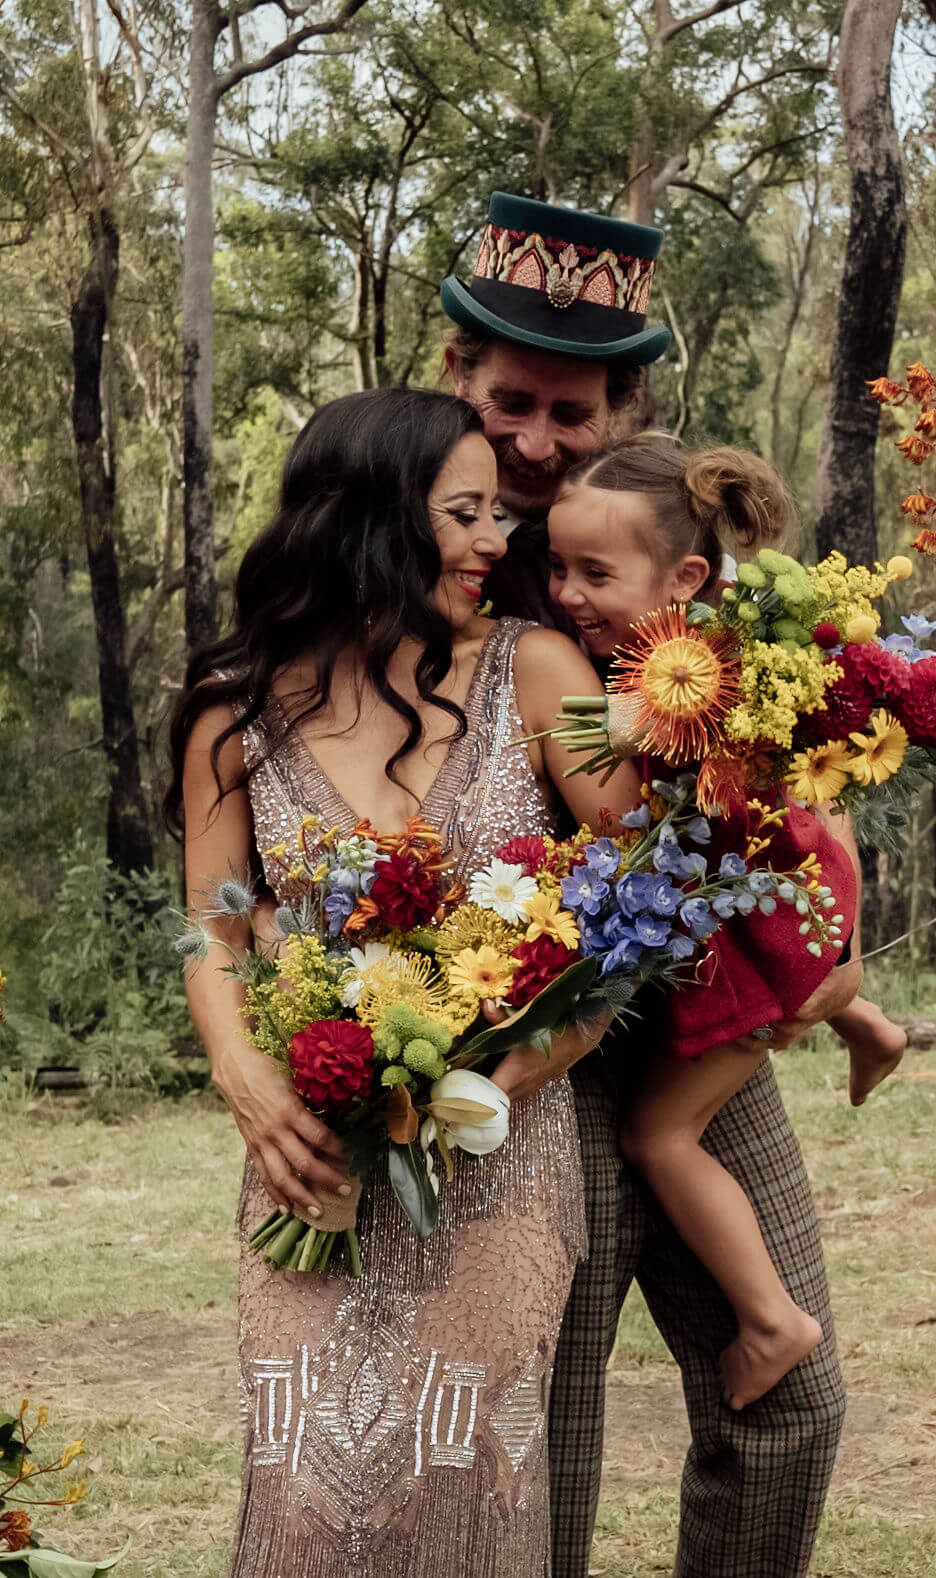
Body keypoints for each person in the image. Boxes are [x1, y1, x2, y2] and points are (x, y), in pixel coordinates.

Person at [440, 191, 864, 1578]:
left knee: (789, 1393)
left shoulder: (663, 557)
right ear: (459, 374)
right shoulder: (409, 525)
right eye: (514, 401)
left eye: (574, 414)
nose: (536, 439)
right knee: (540, 1431)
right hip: (516, 1032)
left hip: (681, 1003)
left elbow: (781, 739)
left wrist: (801, 918)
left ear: (621, 411)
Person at [165, 388, 641, 1577]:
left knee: (465, 1493)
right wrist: (243, 1078)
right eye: (465, 512)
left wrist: (515, 1074)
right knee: (303, 1498)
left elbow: (632, 901)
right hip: (309, 1159)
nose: (500, 538)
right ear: (372, 518)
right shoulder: (232, 715)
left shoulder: (535, 671)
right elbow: (209, 927)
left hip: (498, 1160)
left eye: (497, 513)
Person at [546, 431, 907, 1410]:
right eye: (556, 568)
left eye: (593, 572)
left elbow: (631, 801)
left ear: (684, 576)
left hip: (766, 938)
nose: (568, 593)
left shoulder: (683, 673)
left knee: (659, 1137)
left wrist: (592, 723)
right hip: (788, 908)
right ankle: (871, 1026)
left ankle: (768, 1319)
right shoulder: (713, 644)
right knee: (805, 986)